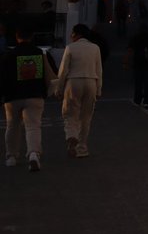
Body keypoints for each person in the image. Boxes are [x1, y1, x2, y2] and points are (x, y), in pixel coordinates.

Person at [1, 25, 57, 172]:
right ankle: (33, 154)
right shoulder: (39, 53)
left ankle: (11, 157)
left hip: (12, 97)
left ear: (17, 37)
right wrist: (49, 91)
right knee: (33, 126)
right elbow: (50, 75)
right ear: (31, 37)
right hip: (35, 95)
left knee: (12, 126)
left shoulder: (9, 55)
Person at [55, 24, 103, 159]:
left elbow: (63, 70)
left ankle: (71, 136)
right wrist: (99, 89)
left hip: (73, 82)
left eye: (72, 33)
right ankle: (81, 148)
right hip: (91, 82)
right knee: (86, 117)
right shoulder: (95, 48)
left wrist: (59, 88)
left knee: (70, 113)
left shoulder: (70, 47)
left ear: (76, 34)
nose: (71, 36)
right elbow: (99, 70)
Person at [126, 21, 148, 108]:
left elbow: (130, 50)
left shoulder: (135, 38)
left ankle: (137, 100)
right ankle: (146, 101)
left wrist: (127, 62)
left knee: (138, 83)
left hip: (138, 64)